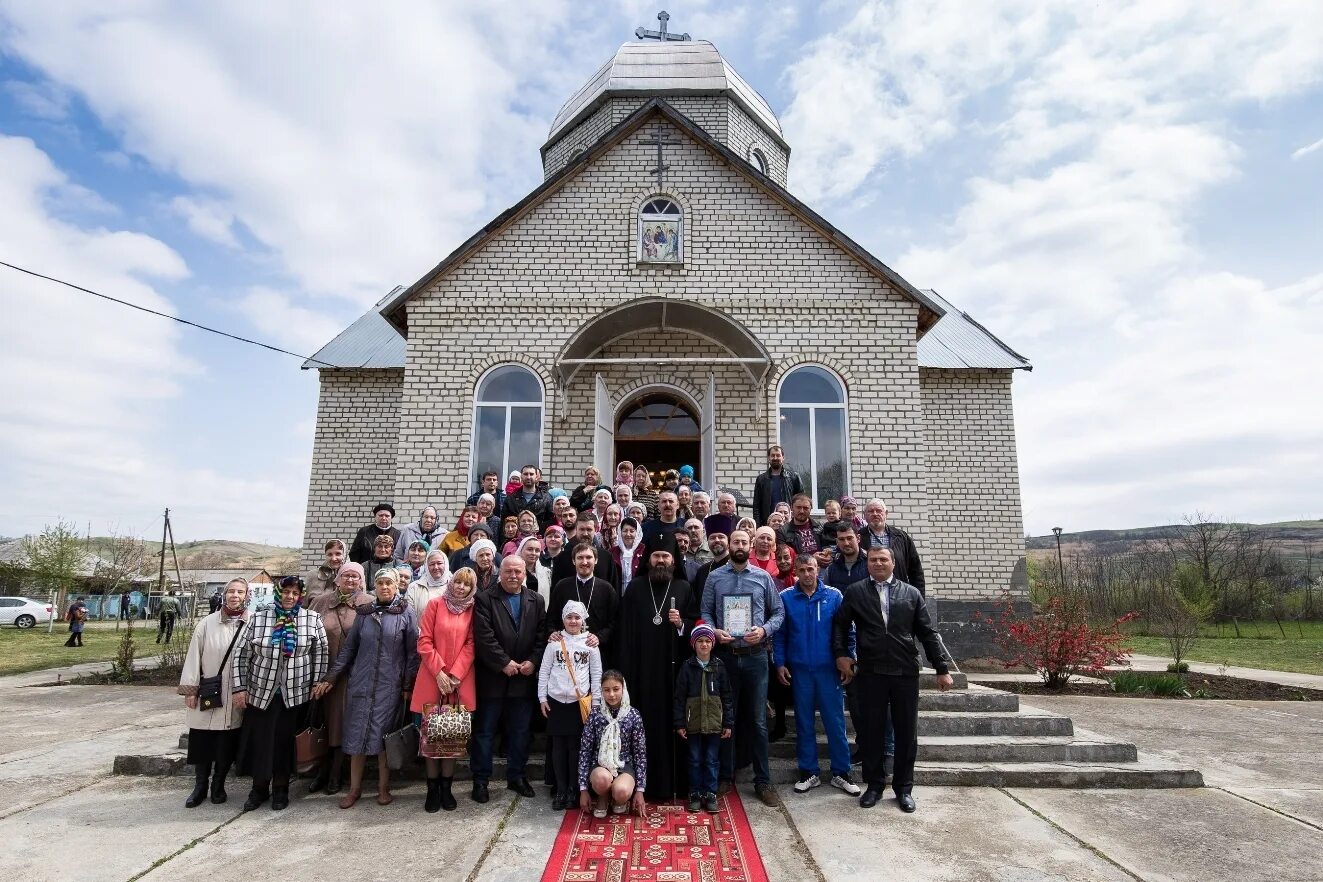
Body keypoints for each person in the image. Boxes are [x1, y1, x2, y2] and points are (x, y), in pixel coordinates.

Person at [833, 546, 953, 812]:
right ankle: (874, 785)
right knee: (872, 731)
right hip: (871, 672)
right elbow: (840, 625)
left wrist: (941, 668)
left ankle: (904, 788)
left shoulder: (911, 594)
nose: (878, 563)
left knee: (906, 733)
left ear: (893, 563)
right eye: (873, 559)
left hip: (905, 672)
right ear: (868, 564)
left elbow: (927, 632)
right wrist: (841, 654)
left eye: (883, 559)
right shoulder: (856, 592)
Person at [315, 568, 419, 809]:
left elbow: (412, 653)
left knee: (384, 739)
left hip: (389, 686)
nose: (384, 587)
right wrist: (331, 677)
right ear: (374, 587)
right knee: (356, 736)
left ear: (396, 586)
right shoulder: (365, 613)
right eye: (380, 583)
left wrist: (406, 684)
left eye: (389, 583)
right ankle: (354, 789)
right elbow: (349, 650)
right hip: (360, 684)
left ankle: (383, 787)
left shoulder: (405, 613)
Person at [700, 529, 785, 806]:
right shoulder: (715, 577)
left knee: (758, 721)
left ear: (750, 546)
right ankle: (726, 776)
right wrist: (714, 631)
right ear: (728, 544)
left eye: (743, 542)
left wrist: (763, 631)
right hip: (725, 656)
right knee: (727, 718)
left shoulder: (763, 578)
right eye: (734, 541)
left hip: (756, 656)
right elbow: (706, 612)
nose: (738, 545)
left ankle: (763, 781)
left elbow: (779, 613)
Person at [232, 575, 329, 811]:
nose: (290, 597)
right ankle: (258, 789)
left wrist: (317, 682)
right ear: (278, 593)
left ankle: (281, 789)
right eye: (286, 592)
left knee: (285, 745)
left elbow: (321, 653)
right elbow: (242, 654)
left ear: (301, 596)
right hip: (261, 692)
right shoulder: (260, 618)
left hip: (294, 694)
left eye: (295, 594)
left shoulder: (311, 618)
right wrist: (240, 688)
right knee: (261, 743)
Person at [774, 556, 860, 797]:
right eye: (801, 570)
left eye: (811, 568)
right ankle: (808, 772)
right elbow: (780, 635)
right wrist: (779, 662)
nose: (807, 573)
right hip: (800, 670)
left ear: (818, 570)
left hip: (828, 670)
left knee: (835, 722)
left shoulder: (834, 596)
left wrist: (848, 660)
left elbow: (847, 631)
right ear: (796, 573)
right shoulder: (786, 597)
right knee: (804, 723)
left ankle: (841, 773)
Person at [615, 550, 696, 801]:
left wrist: (682, 623)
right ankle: (639, 784)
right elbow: (624, 631)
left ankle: (676, 784)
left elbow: (696, 625)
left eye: (666, 556)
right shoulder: (636, 588)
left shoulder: (683, 587)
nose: (661, 560)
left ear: (674, 560)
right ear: (648, 559)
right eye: (656, 556)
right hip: (641, 673)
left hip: (674, 673)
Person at [471, 556, 547, 802]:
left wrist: (533, 662)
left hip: (523, 679)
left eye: (518, 571)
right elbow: (484, 636)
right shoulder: (484, 599)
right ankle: (481, 781)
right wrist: (504, 663)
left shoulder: (536, 600)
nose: (513, 575)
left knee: (520, 731)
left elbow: (541, 635)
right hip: (493, 678)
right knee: (484, 732)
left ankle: (517, 776)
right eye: (508, 571)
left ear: (525, 573)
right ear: (499, 573)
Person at [178, 577, 249, 807]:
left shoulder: (252, 623)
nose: (235, 596)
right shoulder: (207, 624)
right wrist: (191, 688)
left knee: (226, 742)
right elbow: (193, 656)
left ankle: (218, 784)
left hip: (236, 692)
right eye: (231, 591)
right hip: (209, 690)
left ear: (247, 596)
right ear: (224, 594)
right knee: (202, 739)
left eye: (240, 592)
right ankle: (200, 786)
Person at [412, 566, 478, 812]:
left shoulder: (473, 610)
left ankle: (447, 789)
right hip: (432, 677)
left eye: (466, 585)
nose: (461, 587)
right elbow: (424, 640)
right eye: (458, 582)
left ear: (472, 589)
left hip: (459, 680)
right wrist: (439, 671)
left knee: (451, 738)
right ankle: (432, 789)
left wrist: (455, 673)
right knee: (431, 737)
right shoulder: (435, 605)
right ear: (451, 583)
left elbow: (472, 643)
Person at [307, 562, 369, 795]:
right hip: (320, 672)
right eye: (346, 576)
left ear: (361, 580)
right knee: (321, 721)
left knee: (343, 723)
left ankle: (336, 773)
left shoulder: (368, 603)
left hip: (352, 676)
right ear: (337, 579)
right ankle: (319, 770)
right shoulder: (320, 603)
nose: (350, 580)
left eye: (355, 577)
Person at [538, 600, 603, 810]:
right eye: (569, 617)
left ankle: (575, 790)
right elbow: (544, 671)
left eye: (577, 617)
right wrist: (542, 698)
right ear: (563, 619)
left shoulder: (591, 645)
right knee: (558, 748)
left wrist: (596, 702)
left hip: (578, 703)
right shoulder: (554, 644)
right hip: (556, 701)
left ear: (583, 619)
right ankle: (561, 789)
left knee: (575, 748)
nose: (573, 621)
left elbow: (596, 674)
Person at [673, 621, 732, 813]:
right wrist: (680, 722)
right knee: (695, 759)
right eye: (700, 641)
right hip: (693, 723)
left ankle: (711, 793)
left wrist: (728, 722)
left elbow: (727, 697)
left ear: (713, 643)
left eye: (708, 641)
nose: (704, 645)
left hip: (715, 723)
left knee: (711, 759)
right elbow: (679, 698)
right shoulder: (687, 667)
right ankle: (695, 793)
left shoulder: (719, 667)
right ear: (693, 644)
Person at [578, 670, 646, 818]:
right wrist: (583, 790)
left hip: (624, 765)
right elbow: (585, 751)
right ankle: (603, 796)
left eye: (616, 689)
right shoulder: (595, 715)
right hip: (600, 765)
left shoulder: (633, 715)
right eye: (607, 690)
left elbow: (640, 754)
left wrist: (640, 790)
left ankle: (617, 798)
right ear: (601, 691)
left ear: (623, 688)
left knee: (621, 791)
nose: (612, 695)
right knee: (602, 780)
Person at [548, 543, 619, 661]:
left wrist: (599, 637)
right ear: (573, 561)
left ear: (596, 560)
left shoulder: (607, 589)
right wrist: (553, 632)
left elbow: (614, 621)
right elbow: (551, 618)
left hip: (597, 650)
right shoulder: (562, 586)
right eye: (580, 558)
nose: (584, 562)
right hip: (566, 651)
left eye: (589, 557)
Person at [858, 499, 925, 593]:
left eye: (879, 510)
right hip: (867, 593)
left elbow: (916, 571)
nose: (875, 514)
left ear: (886, 513)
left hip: (898, 593)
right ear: (865, 515)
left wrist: (919, 600)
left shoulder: (902, 537)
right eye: (870, 511)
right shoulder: (858, 538)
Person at [753, 445, 803, 528]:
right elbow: (756, 506)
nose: (775, 458)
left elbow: (801, 502)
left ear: (783, 457)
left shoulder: (793, 477)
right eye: (773, 455)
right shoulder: (761, 479)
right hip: (768, 524)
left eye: (778, 455)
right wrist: (758, 527)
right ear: (769, 458)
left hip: (789, 525)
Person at [405, 549, 452, 618]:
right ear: (426, 567)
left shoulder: (455, 586)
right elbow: (409, 615)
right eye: (432, 564)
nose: (436, 567)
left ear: (446, 564)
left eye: (439, 563)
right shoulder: (414, 587)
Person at [826, 524, 868, 590]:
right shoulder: (830, 569)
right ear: (837, 542)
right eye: (841, 539)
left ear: (858, 538)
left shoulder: (870, 564)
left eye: (849, 538)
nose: (846, 543)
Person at [642, 491, 684, 556]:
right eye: (664, 501)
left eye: (671, 501)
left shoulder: (686, 525)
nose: (667, 504)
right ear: (658, 506)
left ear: (678, 505)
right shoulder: (646, 528)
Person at [611, 517, 647, 591]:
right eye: (625, 531)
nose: (628, 534)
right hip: (617, 594)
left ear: (637, 533)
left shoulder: (645, 551)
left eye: (632, 531)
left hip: (639, 593)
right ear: (620, 532)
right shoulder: (612, 552)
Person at [692, 531, 729, 600]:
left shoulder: (737, 566)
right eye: (712, 538)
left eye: (721, 537)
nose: (717, 540)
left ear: (728, 541)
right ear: (707, 542)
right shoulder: (702, 570)